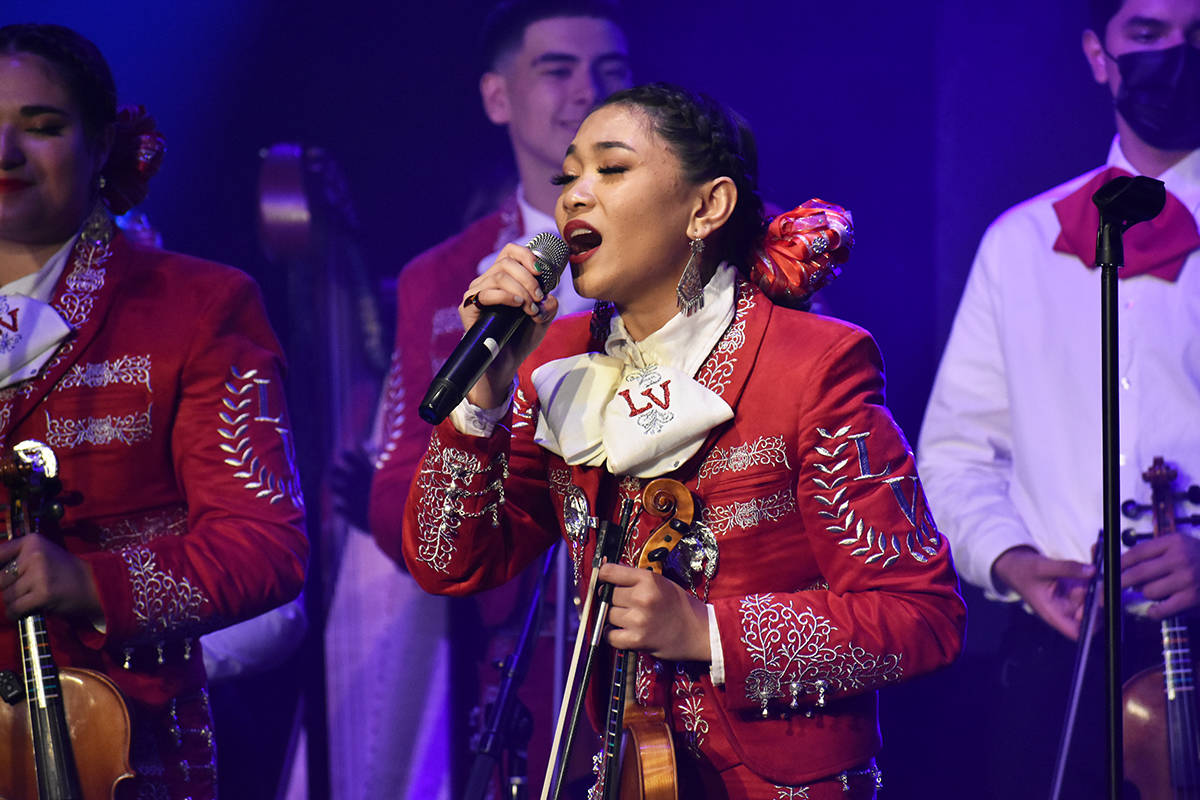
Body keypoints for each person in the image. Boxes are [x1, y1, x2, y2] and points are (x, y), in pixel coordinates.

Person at [379, 82, 965, 799]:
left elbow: (923, 614)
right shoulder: (554, 361)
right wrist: (483, 400)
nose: (573, 197)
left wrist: (708, 631)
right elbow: (449, 563)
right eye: (570, 176)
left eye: (611, 169)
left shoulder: (813, 363)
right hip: (630, 774)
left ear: (707, 206)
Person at [0, 23, 307, 800]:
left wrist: (93, 584)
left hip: (114, 745)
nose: (5, 154)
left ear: (102, 144)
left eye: (42, 127)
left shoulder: (197, 305)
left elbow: (266, 545)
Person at [917, 0, 1200, 796]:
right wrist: (1013, 560)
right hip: (1058, 657)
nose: (1175, 54)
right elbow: (956, 454)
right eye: (1146, 34)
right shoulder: (1020, 241)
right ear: (1098, 54)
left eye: (1198, 36)